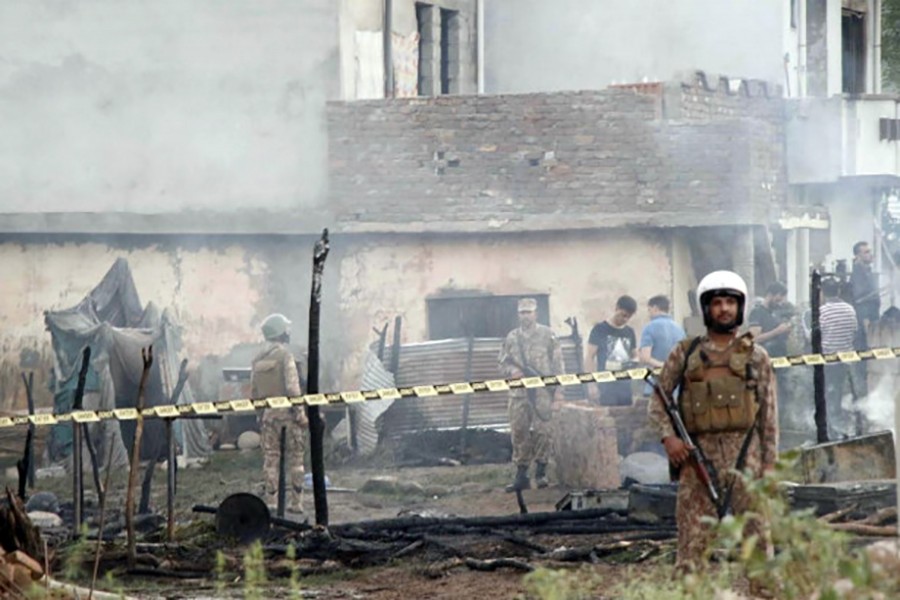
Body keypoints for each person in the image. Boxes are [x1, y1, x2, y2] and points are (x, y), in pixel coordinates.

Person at [647, 271, 778, 573]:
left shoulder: (757, 357)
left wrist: (770, 464)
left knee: (758, 540)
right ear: (707, 308)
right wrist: (669, 438)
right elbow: (658, 400)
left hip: (747, 457)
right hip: (697, 458)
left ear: (740, 308)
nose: (724, 309)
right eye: (717, 302)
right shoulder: (685, 352)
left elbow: (769, 415)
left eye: (730, 302)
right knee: (692, 542)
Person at [498, 298, 564, 492]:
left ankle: (541, 473)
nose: (525, 316)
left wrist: (559, 392)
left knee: (543, 432)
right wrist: (511, 372)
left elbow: (558, 365)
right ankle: (521, 475)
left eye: (529, 312)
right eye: (522, 312)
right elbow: (502, 362)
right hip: (518, 394)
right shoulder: (511, 337)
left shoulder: (548, 335)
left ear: (536, 313)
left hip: (543, 393)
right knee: (519, 432)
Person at [251, 313, 307, 513]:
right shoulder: (285, 356)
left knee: (270, 461)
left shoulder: (257, 359)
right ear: (281, 332)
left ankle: (271, 503)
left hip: (268, 417)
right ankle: (296, 503)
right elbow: (293, 388)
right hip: (288, 416)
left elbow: (254, 392)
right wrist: (300, 413)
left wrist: (260, 415)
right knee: (296, 459)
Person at [820, 277, 860, 438]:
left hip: (828, 360)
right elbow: (854, 331)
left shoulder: (822, 312)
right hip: (847, 359)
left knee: (830, 393)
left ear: (823, 292)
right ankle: (848, 425)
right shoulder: (850, 309)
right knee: (844, 392)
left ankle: (832, 427)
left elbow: (815, 336)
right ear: (838, 291)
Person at [586, 295, 638, 406]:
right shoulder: (600, 329)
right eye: (623, 315)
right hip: (606, 387)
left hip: (625, 387)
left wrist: (633, 363)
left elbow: (635, 355)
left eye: (628, 317)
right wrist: (591, 384)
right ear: (617, 308)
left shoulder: (629, 332)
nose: (625, 319)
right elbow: (590, 357)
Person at [638, 295, 686, 395]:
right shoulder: (680, 330)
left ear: (655, 308)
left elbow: (645, 358)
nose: (649, 314)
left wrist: (664, 366)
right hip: (675, 387)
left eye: (649, 310)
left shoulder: (649, 328)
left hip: (655, 387)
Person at [850, 241, 880, 336]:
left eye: (870, 251)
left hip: (873, 314)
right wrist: (865, 320)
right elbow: (860, 298)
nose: (870, 254)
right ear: (858, 256)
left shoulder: (868, 271)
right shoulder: (858, 273)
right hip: (866, 317)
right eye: (866, 252)